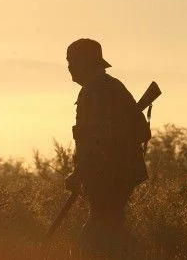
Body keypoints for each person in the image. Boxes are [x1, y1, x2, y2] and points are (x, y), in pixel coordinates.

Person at [64, 38, 151, 257]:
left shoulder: (99, 91)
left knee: (97, 233)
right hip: (109, 173)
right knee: (110, 228)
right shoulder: (103, 88)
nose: (69, 67)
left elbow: (98, 141)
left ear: (85, 62)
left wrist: (80, 171)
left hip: (111, 174)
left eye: (72, 61)